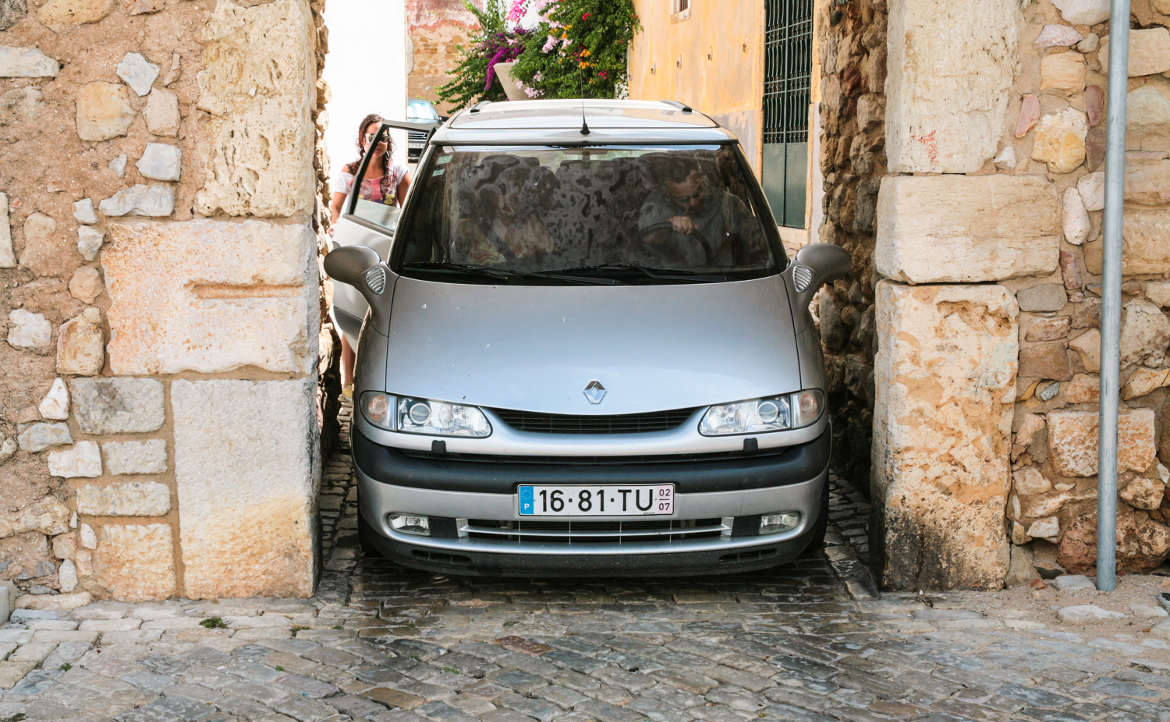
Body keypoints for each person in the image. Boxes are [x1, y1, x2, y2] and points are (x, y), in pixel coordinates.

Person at [329, 113, 411, 399]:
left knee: (376, 311)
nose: (378, 141)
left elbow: (408, 208)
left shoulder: (397, 172)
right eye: (372, 135)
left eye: (383, 136)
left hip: (384, 247)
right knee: (352, 308)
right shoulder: (350, 171)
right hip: (356, 245)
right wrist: (339, 231)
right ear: (362, 138)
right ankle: (349, 383)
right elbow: (336, 208)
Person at [636, 156, 763, 268]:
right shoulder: (656, 203)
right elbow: (645, 240)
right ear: (668, 190)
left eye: (697, 194)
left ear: (701, 179)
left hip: (720, 279)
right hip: (665, 279)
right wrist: (668, 226)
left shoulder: (727, 204)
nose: (692, 203)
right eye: (683, 199)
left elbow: (759, 245)